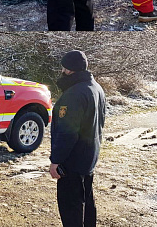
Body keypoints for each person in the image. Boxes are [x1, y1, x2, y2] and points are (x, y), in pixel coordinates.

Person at [50, 50, 106, 227]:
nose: (62, 72)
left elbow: (67, 133)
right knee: (87, 203)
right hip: (88, 158)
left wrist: (56, 161)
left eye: (64, 68)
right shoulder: (96, 88)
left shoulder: (74, 94)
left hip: (72, 163)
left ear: (69, 71)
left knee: (71, 208)